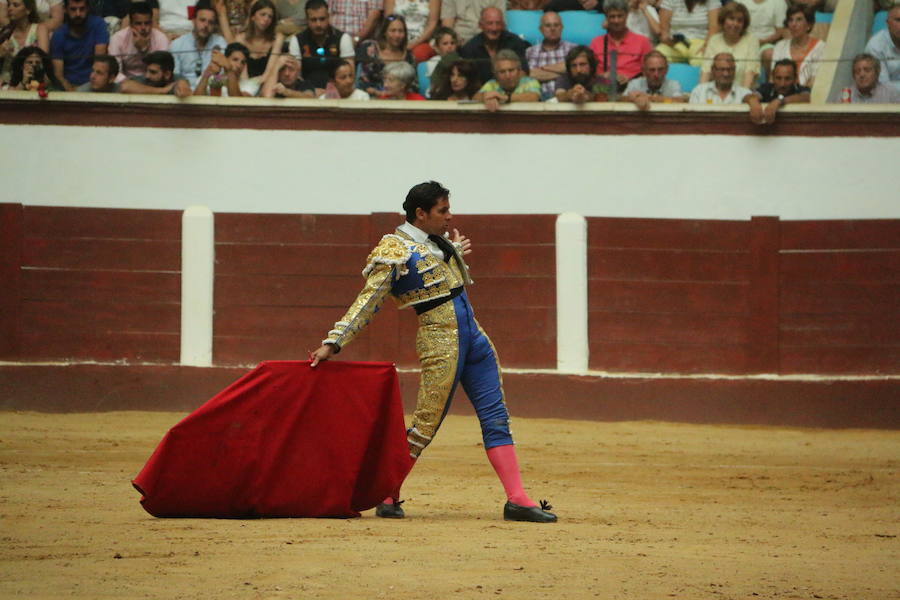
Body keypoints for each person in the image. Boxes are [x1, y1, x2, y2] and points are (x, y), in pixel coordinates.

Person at [309, 180, 558, 524]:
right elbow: (367, 301)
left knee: (496, 416)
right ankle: (386, 493)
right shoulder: (394, 249)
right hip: (441, 341)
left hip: (475, 338)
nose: (449, 216)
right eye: (442, 211)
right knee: (426, 423)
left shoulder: (436, 243)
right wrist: (333, 341)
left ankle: (517, 499)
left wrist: (452, 249)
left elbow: (436, 265)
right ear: (420, 213)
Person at [288, 0, 354, 90]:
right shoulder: (297, 40)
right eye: (313, 20)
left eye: (322, 19)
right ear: (307, 20)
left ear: (328, 17)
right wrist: (311, 91)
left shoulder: (343, 38)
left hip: (338, 93)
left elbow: (349, 77)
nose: (318, 24)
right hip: (306, 93)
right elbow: (296, 77)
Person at [459, 6, 529, 86]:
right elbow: (469, 80)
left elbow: (524, 72)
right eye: (490, 23)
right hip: (482, 93)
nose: (494, 28)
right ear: (480, 25)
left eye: (498, 23)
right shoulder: (470, 48)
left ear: (503, 25)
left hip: (513, 89)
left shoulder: (515, 42)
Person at [590, 0, 652, 88]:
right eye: (612, 16)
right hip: (604, 90)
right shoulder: (596, 42)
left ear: (627, 16)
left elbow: (650, 74)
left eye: (620, 16)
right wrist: (603, 77)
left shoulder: (643, 42)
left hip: (633, 90)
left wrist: (630, 79)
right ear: (606, 18)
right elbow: (589, 77)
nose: (616, 21)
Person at [214, 0, 283, 78]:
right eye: (263, 14)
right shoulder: (240, 38)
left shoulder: (277, 38)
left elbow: (269, 73)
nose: (266, 19)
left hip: (267, 81)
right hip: (245, 83)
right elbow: (243, 75)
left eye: (270, 17)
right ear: (253, 17)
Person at [49, 0, 108, 90]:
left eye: (82, 9)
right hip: (68, 85)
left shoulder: (98, 25)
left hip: (93, 82)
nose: (78, 14)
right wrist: (72, 92)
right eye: (73, 9)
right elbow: (58, 75)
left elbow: (99, 63)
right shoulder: (59, 34)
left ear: (88, 8)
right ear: (65, 10)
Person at [699, 1, 758, 89]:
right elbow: (706, 71)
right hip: (716, 93)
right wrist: (701, 94)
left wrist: (744, 97)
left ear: (744, 24)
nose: (735, 23)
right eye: (731, 18)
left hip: (742, 93)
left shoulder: (751, 40)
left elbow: (750, 72)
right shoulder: (714, 40)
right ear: (723, 20)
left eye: (739, 20)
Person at [169, 1, 227, 87]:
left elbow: (223, 77)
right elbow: (173, 76)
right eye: (202, 20)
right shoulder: (177, 45)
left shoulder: (220, 43)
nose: (206, 25)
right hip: (184, 95)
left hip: (212, 91)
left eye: (210, 22)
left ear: (214, 25)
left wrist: (215, 78)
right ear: (193, 20)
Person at [356, 13, 414, 96]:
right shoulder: (370, 48)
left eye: (400, 31)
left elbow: (412, 86)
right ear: (384, 32)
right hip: (370, 99)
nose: (397, 35)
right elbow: (361, 82)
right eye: (393, 30)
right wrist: (379, 94)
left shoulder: (409, 55)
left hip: (399, 101)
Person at [108, 1, 168, 82]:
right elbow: (115, 72)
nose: (143, 28)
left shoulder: (161, 38)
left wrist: (144, 50)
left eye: (147, 23)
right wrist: (131, 85)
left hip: (152, 82)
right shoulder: (117, 39)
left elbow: (160, 71)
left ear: (152, 23)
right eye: (138, 24)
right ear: (131, 24)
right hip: (126, 82)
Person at [771, 3, 824, 88]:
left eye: (799, 20)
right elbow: (772, 78)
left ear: (809, 25)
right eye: (791, 20)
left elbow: (816, 81)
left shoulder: (821, 47)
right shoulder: (780, 46)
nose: (793, 24)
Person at [525, 11, 575, 99]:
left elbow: (576, 72)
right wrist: (565, 72)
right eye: (548, 25)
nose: (552, 28)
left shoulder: (573, 49)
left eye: (556, 25)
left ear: (562, 27)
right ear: (541, 29)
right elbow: (528, 75)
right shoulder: (529, 52)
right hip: (537, 101)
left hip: (566, 100)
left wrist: (542, 69)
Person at [657, 0, 721, 66]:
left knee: (700, 61)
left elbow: (714, 29)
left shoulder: (712, 1)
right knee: (658, 57)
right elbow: (664, 31)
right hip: (676, 44)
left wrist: (706, 47)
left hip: (701, 43)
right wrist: (669, 41)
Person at [474, 47, 540, 111]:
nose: (507, 76)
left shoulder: (530, 82)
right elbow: (475, 98)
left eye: (511, 70)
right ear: (495, 74)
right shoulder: (492, 83)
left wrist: (505, 98)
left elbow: (534, 97)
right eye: (502, 72)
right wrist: (486, 97)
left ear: (519, 71)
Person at [0, 0, 49, 85]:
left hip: (33, 82)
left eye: (15, 5)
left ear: (28, 10)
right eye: (9, 5)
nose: (10, 8)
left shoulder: (40, 29)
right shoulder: (5, 33)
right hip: (7, 84)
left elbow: (43, 60)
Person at [733, 0, 785, 76]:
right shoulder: (739, 1)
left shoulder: (779, 2)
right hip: (742, 41)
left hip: (766, 44)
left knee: (769, 54)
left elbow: (780, 31)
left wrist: (761, 42)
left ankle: (768, 85)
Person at [751, 58, 808, 122]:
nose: (782, 84)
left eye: (787, 78)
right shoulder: (766, 88)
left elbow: (807, 97)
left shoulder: (800, 89)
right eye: (778, 78)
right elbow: (750, 96)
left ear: (795, 78)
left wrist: (779, 101)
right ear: (772, 76)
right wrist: (753, 102)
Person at [689, 51, 754, 103]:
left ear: (734, 71)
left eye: (729, 70)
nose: (726, 74)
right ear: (713, 70)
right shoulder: (699, 91)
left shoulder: (745, 93)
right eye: (721, 70)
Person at [120, 48, 192, 95]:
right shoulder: (145, 80)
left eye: (153, 72)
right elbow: (125, 87)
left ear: (167, 74)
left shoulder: (177, 79)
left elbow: (183, 90)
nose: (147, 76)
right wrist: (163, 90)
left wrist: (181, 84)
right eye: (146, 71)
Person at [864, 3, 900, 93]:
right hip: (885, 102)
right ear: (888, 23)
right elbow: (883, 88)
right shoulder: (875, 46)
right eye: (898, 20)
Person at [440, 0, 504, 46]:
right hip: (459, 39)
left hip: (486, 39)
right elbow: (447, 25)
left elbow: (500, 22)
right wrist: (454, 40)